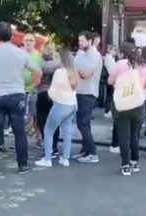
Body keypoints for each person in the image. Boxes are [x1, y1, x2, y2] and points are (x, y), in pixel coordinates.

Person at [0, 21, 41, 175]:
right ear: (12, 36)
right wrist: (26, 86)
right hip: (17, 95)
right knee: (19, 132)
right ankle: (22, 165)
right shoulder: (21, 53)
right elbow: (37, 71)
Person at [108, 42, 146, 176]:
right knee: (135, 134)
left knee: (123, 135)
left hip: (122, 103)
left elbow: (110, 81)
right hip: (137, 103)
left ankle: (125, 165)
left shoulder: (119, 64)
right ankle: (134, 162)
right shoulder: (142, 64)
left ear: (122, 52)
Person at [35, 49, 80, 167]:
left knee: (48, 130)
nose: (55, 60)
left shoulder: (59, 72)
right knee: (67, 131)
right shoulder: (74, 72)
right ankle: (65, 158)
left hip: (61, 104)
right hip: (72, 104)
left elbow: (53, 90)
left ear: (62, 59)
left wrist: (51, 96)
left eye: (56, 57)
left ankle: (47, 159)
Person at [73, 31, 103, 163]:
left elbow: (86, 74)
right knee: (82, 123)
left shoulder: (95, 56)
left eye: (82, 40)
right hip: (79, 92)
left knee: (83, 123)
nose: (79, 43)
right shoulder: (80, 54)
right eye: (79, 40)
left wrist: (74, 70)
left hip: (89, 93)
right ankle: (85, 150)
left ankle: (92, 153)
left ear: (90, 41)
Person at [35, 43, 60, 159]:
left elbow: (37, 77)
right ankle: (53, 147)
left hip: (43, 92)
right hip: (54, 94)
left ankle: (49, 146)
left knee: (42, 120)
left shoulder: (40, 61)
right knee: (53, 121)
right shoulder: (57, 61)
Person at [23, 33, 42, 140]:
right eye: (26, 40)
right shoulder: (19, 54)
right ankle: (22, 140)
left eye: (31, 40)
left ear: (34, 42)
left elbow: (41, 72)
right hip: (20, 89)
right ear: (23, 42)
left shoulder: (39, 56)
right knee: (21, 117)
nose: (28, 42)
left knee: (36, 115)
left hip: (35, 89)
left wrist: (35, 86)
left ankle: (39, 138)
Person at [104, 44, 119, 153]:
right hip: (111, 80)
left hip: (112, 80)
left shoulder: (112, 59)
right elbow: (111, 71)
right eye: (114, 49)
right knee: (110, 96)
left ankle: (108, 110)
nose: (115, 51)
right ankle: (108, 110)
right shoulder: (109, 59)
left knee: (111, 96)